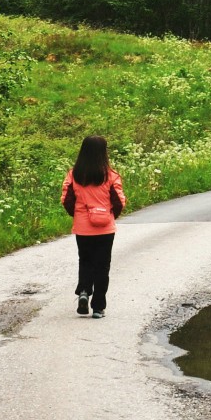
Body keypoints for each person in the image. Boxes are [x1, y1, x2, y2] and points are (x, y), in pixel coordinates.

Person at [61, 135, 125, 318]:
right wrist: (110, 215)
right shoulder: (111, 176)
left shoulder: (74, 174)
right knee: (102, 266)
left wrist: (79, 215)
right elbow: (119, 201)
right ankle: (98, 307)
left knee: (86, 261)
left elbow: (66, 199)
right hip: (105, 227)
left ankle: (83, 291)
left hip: (82, 227)